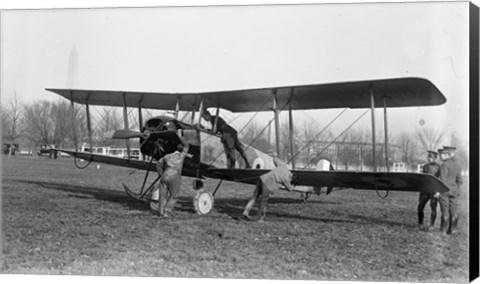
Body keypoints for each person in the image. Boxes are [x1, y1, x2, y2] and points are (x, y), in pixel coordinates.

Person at [242, 157, 294, 222]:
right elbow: (289, 189)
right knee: (264, 200)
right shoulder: (287, 178)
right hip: (268, 184)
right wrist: (293, 186)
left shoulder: (282, 166)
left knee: (255, 197)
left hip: (262, 178)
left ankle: (246, 211)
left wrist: (280, 164)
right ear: (291, 176)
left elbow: (275, 159)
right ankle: (259, 218)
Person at [155, 129, 190, 218]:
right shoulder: (181, 156)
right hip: (174, 175)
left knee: (162, 195)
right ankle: (167, 212)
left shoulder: (167, 156)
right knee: (174, 196)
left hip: (165, 175)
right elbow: (186, 145)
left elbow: (158, 164)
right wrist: (180, 136)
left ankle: (161, 212)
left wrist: (161, 174)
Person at [437, 147, 463, 234]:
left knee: (445, 210)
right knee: (453, 210)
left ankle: (443, 231)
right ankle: (452, 230)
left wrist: (438, 191)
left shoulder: (444, 165)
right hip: (454, 191)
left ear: (446, 155)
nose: (440, 157)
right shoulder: (457, 165)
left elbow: (442, 181)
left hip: (445, 191)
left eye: (441, 155)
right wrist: (455, 188)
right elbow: (460, 181)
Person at [417, 150, 441, 229]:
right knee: (420, 207)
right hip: (425, 190)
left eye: (431, 157)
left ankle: (432, 225)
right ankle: (420, 223)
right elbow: (423, 178)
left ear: (435, 158)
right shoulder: (425, 166)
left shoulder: (439, 167)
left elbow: (440, 180)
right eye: (429, 157)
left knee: (433, 207)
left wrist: (438, 191)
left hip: (434, 190)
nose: (429, 158)